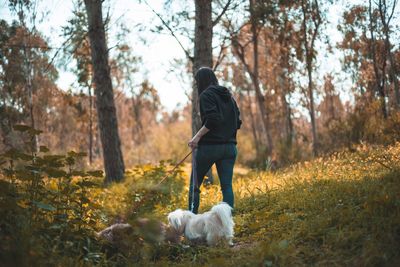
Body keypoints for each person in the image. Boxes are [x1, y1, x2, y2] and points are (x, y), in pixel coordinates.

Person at [188, 67, 242, 214]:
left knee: (195, 186)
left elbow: (212, 119)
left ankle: (190, 225)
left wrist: (196, 137)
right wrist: (226, 134)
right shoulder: (229, 97)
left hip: (210, 148)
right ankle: (227, 225)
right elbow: (238, 122)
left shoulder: (206, 95)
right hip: (230, 148)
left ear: (201, 81)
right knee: (227, 187)